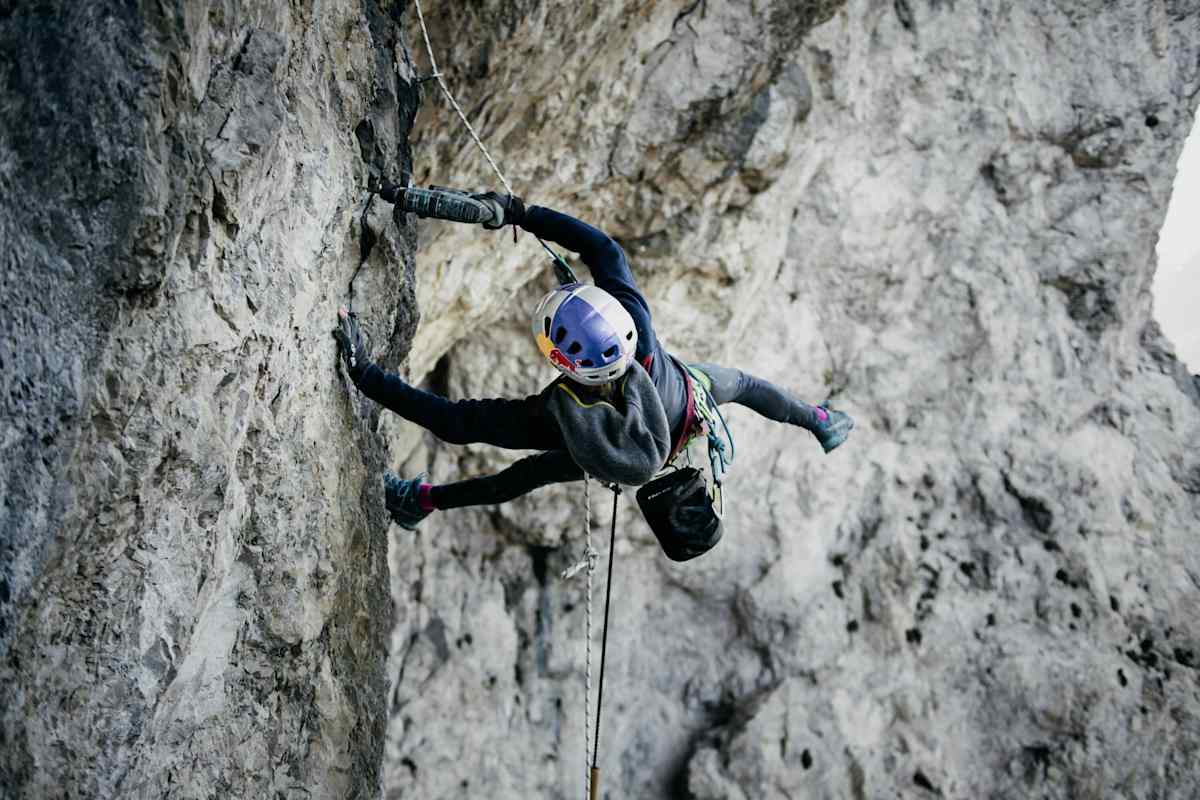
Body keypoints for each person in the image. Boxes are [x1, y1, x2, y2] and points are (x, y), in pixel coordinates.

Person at [333, 188, 853, 530]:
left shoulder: (557, 417)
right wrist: (523, 216)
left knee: (520, 477)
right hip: (682, 406)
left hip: (632, 436)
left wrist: (364, 373)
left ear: (560, 360)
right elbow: (606, 252)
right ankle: (819, 420)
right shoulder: (636, 328)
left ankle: (419, 501)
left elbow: (456, 422)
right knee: (744, 385)